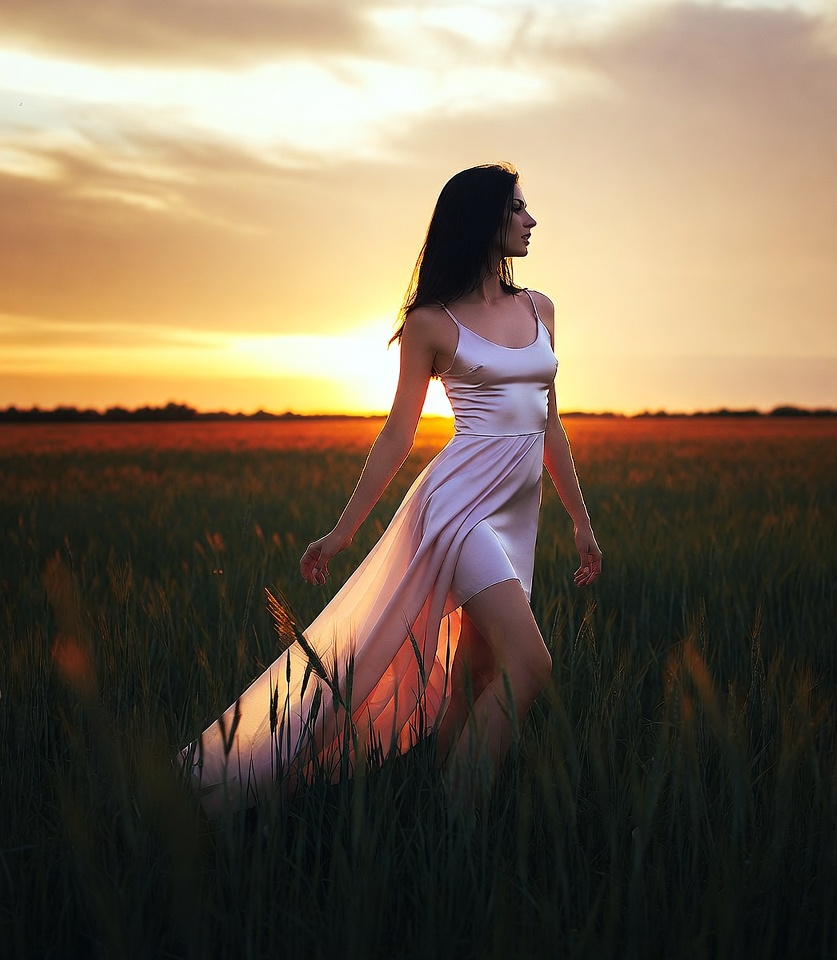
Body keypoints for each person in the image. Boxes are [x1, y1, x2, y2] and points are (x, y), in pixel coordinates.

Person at [180, 163, 601, 816]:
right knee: (530, 663)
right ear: (482, 220)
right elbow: (398, 434)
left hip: (519, 515)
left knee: (477, 676)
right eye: (517, 208)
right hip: (458, 511)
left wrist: (580, 521)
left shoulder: (539, 308)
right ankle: (458, 827)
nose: (530, 220)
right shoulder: (432, 322)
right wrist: (342, 532)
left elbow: (550, 424)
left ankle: (444, 819)